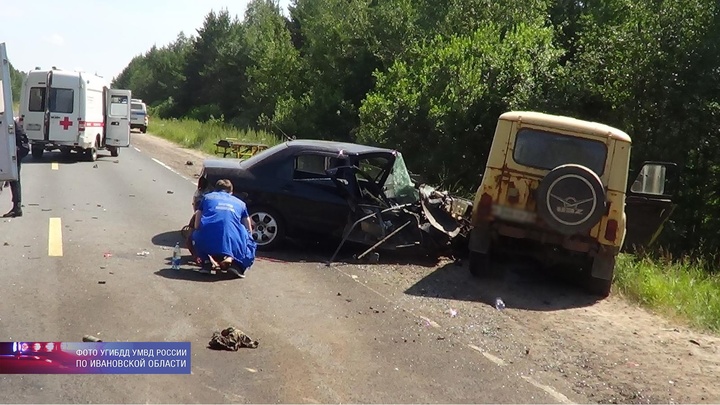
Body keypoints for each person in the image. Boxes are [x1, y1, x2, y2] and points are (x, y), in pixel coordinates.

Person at [191, 179, 256, 278]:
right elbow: (249, 229)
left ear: (215, 190)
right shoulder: (241, 204)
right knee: (248, 239)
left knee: (195, 234)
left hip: (207, 239)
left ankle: (206, 261)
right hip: (233, 241)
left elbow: (197, 225)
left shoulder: (207, 198)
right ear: (231, 192)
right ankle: (237, 265)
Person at [3, 119, 29, 218]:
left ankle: (17, 207)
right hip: (16, 149)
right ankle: (17, 207)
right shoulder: (8, 120)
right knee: (13, 178)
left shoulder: (8, 121)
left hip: (17, 150)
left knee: (14, 178)